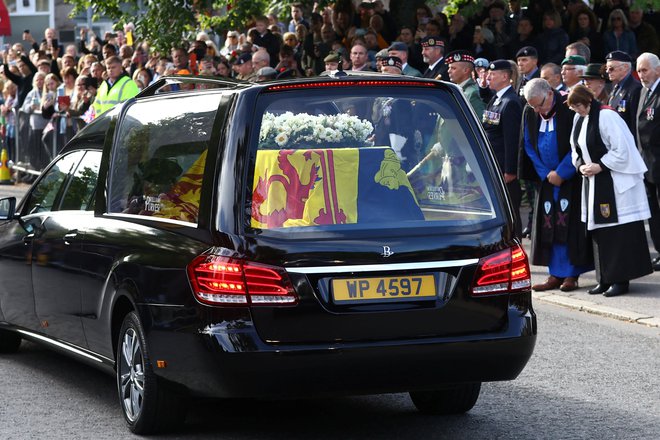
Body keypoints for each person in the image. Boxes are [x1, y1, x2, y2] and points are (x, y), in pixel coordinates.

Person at [568, 84, 652, 296]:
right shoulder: (580, 118)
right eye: (574, 107)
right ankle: (604, 278)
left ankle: (620, 280)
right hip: (593, 183)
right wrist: (580, 166)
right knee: (599, 232)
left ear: (588, 101)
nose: (577, 110)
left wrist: (600, 165)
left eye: (579, 106)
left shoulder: (607, 116)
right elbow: (574, 149)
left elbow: (622, 149)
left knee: (616, 233)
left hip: (614, 184)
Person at [520, 79, 592, 291]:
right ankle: (555, 274)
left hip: (568, 178)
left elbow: (578, 143)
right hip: (547, 180)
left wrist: (562, 172)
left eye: (540, 104)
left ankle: (571, 274)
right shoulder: (530, 111)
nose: (537, 110)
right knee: (548, 226)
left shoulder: (567, 108)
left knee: (568, 226)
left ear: (550, 94)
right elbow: (528, 144)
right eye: (533, 106)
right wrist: (545, 173)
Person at [483, 59, 523, 237]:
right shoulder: (496, 98)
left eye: (492, 74)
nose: (488, 77)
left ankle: (515, 243)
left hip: (504, 167)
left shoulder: (511, 101)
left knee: (510, 211)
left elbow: (512, 139)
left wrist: (510, 170)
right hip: (495, 164)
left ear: (505, 76)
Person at [635, 53, 660, 271]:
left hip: (659, 163)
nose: (641, 75)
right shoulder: (644, 91)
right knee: (653, 212)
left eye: (645, 70)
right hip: (647, 165)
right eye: (639, 71)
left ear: (658, 70)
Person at [606, 50, 641, 136]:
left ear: (625, 67)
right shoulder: (616, 88)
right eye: (606, 68)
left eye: (611, 68)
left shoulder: (635, 89)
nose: (607, 71)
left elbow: (634, 123)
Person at [445, 50, 484, 116]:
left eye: (453, 68)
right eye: (449, 68)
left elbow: (479, 121)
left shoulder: (473, 93)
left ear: (466, 70)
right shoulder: (455, 89)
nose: (449, 71)